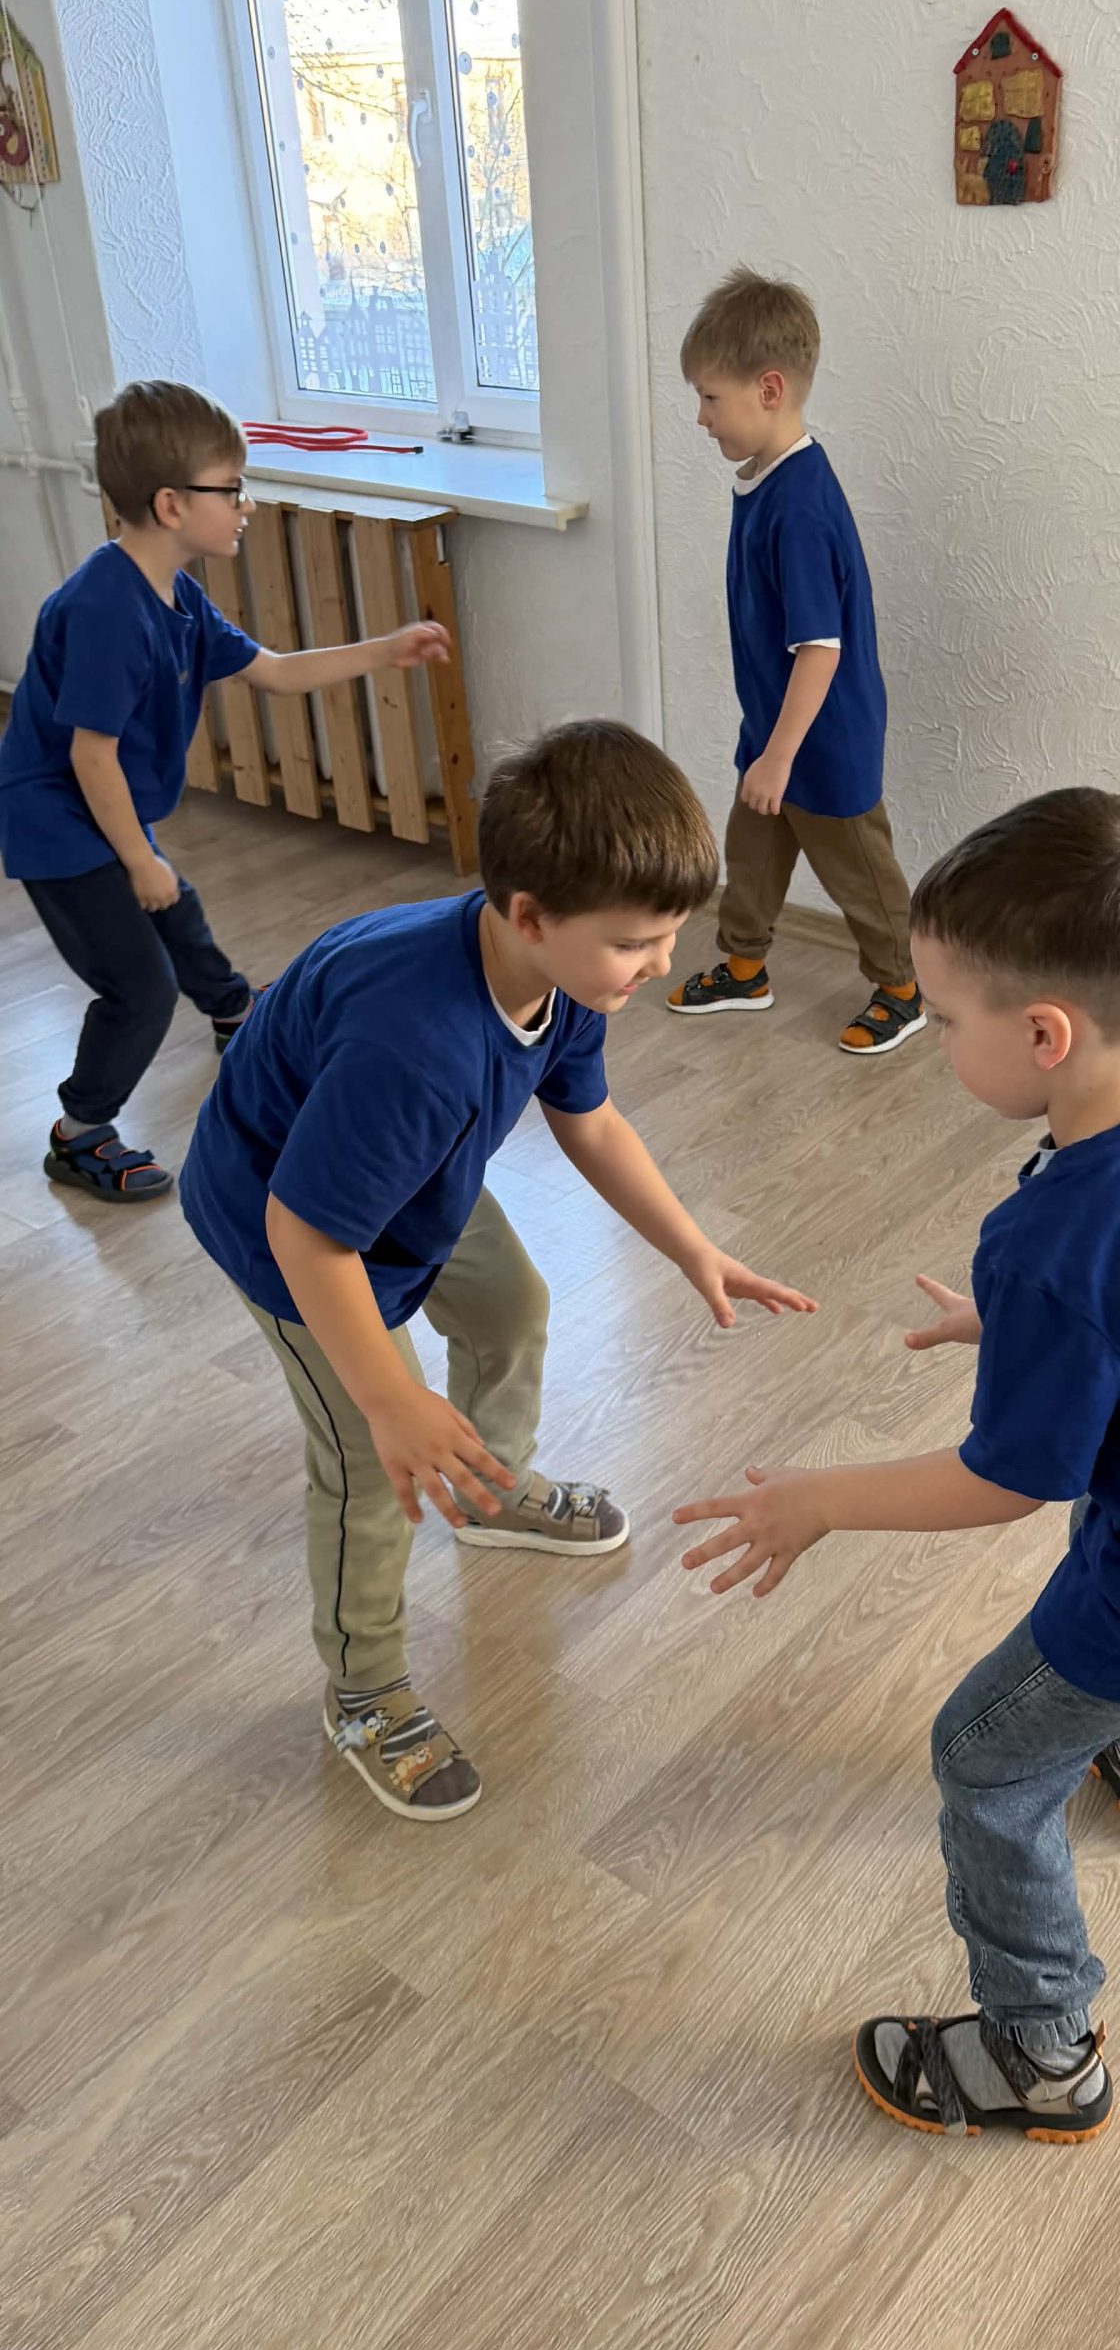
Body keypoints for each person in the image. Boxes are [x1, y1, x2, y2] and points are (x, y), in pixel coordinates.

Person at [675, 789, 1120, 2140]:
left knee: (985, 1758)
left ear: (1045, 1035)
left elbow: (1008, 1480)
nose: (941, 1039)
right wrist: (1026, 1328)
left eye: (949, 1019)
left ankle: (1041, 2051)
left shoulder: (1061, 1242)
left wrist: (821, 1499)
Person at [181, 718, 817, 1824]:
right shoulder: (414, 1046)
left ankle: (489, 1487)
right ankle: (363, 1691)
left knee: (512, 1305)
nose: (662, 963)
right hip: (288, 1222)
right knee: (368, 1465)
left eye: (671, 933)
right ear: (529, 915)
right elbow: (306, 1234)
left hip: (402, 1178)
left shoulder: (565, 978)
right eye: (637, 942)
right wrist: (394, 1401)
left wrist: (692, 1246)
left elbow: (591, 1121)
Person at [0, 378, 448, 1201]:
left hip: (102, 807)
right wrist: (139, 860)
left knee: (179, 909)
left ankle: (233, 1011)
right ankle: (79, 1132)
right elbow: (91, 757)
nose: (247, 505)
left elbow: (274, 671)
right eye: (232, 488)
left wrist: (385, 650)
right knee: (140, 987)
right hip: (56, 824)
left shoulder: (175, 595)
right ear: (172, 504)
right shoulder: (105, 609)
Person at [667, 267, 924, 1058]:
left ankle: (904, 987)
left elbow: (820, 647)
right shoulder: (766, 483)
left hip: (822, 737)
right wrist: (768, 745)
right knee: (752, 853)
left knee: (861, 875)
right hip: (775, 728)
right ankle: (745, 967)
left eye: (711, 397)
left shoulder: (801, 508)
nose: (701, 416)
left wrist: (780, 755)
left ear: (769, 389)